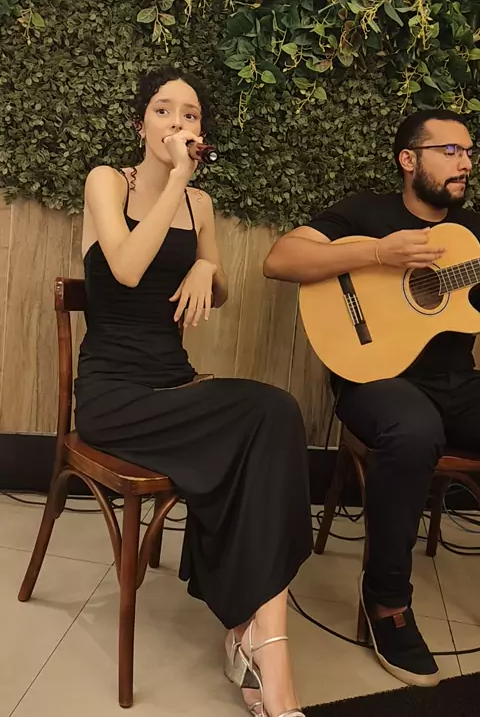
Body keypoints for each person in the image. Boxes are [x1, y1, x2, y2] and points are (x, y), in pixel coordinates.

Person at [75, 66, 312, 717]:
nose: (178, 121)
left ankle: (263, 642)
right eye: (163, 110)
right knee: (261, 423)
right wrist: (179, 177)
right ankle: (262, 652)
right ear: (140, 125)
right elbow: (126, 268)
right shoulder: (107, 182)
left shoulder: (199, 206)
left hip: (175, 384)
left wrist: (208, 264)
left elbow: (221, 290)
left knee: (273, 412)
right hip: (114, 395)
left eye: (191, 114)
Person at [263, 109, 480, 688]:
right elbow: (280, 260)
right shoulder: (365, 213)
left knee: (430, 421)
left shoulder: (472, 235)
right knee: (413, 432)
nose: (464, 162)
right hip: (375, 380)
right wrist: (379, 255)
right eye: (450, 151)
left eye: (468, 152)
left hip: (457, 383)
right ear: (409, 159)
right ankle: (387, 602)